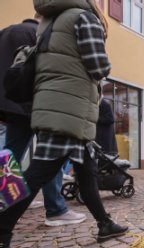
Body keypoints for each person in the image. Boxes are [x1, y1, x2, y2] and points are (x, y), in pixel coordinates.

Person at [0, 0, 129, 248]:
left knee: (86, 169)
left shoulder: (50, 19)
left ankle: (104, 224)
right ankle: (1, 240)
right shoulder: (83, 17)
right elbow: (97, 66)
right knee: (38, 173)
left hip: (56, 103)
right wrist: (105, 67)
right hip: (68, 107)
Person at [0, 14, 85, 226]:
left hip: (9, 103)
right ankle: (55, 209)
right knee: (51, 152)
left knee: (10, 157)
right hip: (34, 103)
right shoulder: (39, 33)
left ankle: (9, 203)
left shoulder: (6, 32)